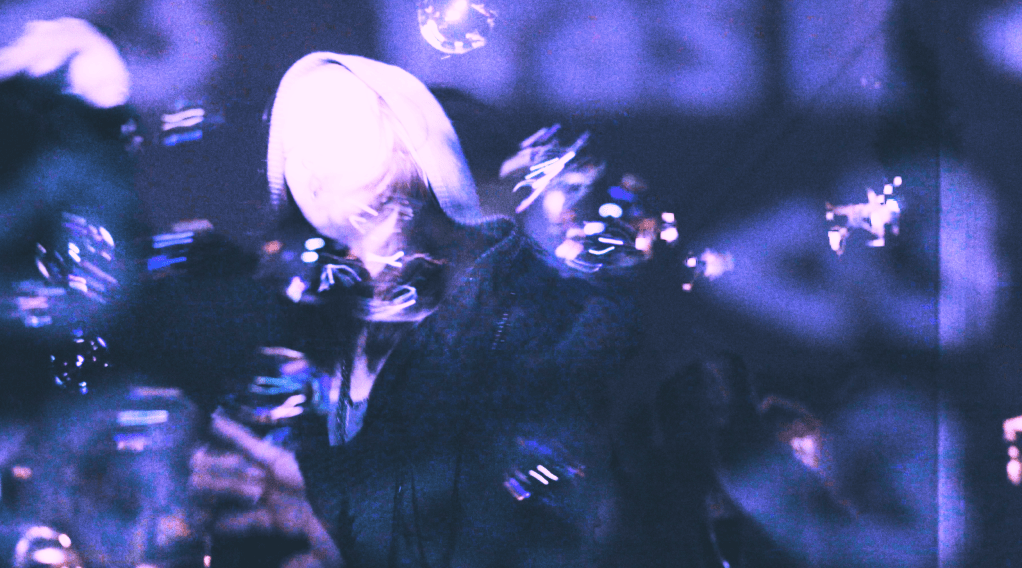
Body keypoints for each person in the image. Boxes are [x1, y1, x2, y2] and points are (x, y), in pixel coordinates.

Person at [190, 52, 643, 568]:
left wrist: (334, 514)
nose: (317, 155)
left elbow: (520, 508)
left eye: (383, 204)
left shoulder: (537, 319)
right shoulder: (324, 338)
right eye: (302, 150)